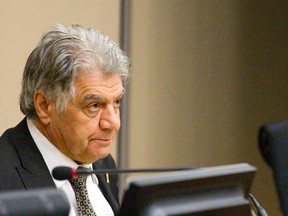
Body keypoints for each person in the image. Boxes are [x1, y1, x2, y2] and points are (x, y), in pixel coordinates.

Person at [0, 23, 129, 216]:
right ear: (44, 106)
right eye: (94, 105)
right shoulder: (4, 175)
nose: (113, 124)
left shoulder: (102, 164)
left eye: (116, 102)